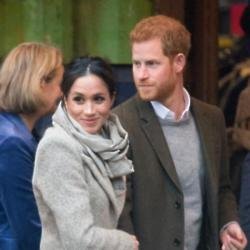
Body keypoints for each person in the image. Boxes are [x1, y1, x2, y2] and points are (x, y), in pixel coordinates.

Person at [114, 15, 247, 250]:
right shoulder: (119, 123)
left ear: (178, 62)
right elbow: (119, 208)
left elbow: (222, 188)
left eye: (151, 64)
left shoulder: (211, 118)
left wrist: (227, 223)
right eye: (136, 64)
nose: (141, 74)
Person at [32, 56, 139, 250]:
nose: (89, 111)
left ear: (112, 98)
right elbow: (80, 239)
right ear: (65, 100)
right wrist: (125, 242)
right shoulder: (58, 146)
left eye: (98, 99)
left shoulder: (111, 142)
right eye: (78, 100)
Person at [0, 42, 64, 250]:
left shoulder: (15, 132)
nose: (62, 93)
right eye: (59, 83)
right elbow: (28, 225)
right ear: (41, 83)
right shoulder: (12, 142)